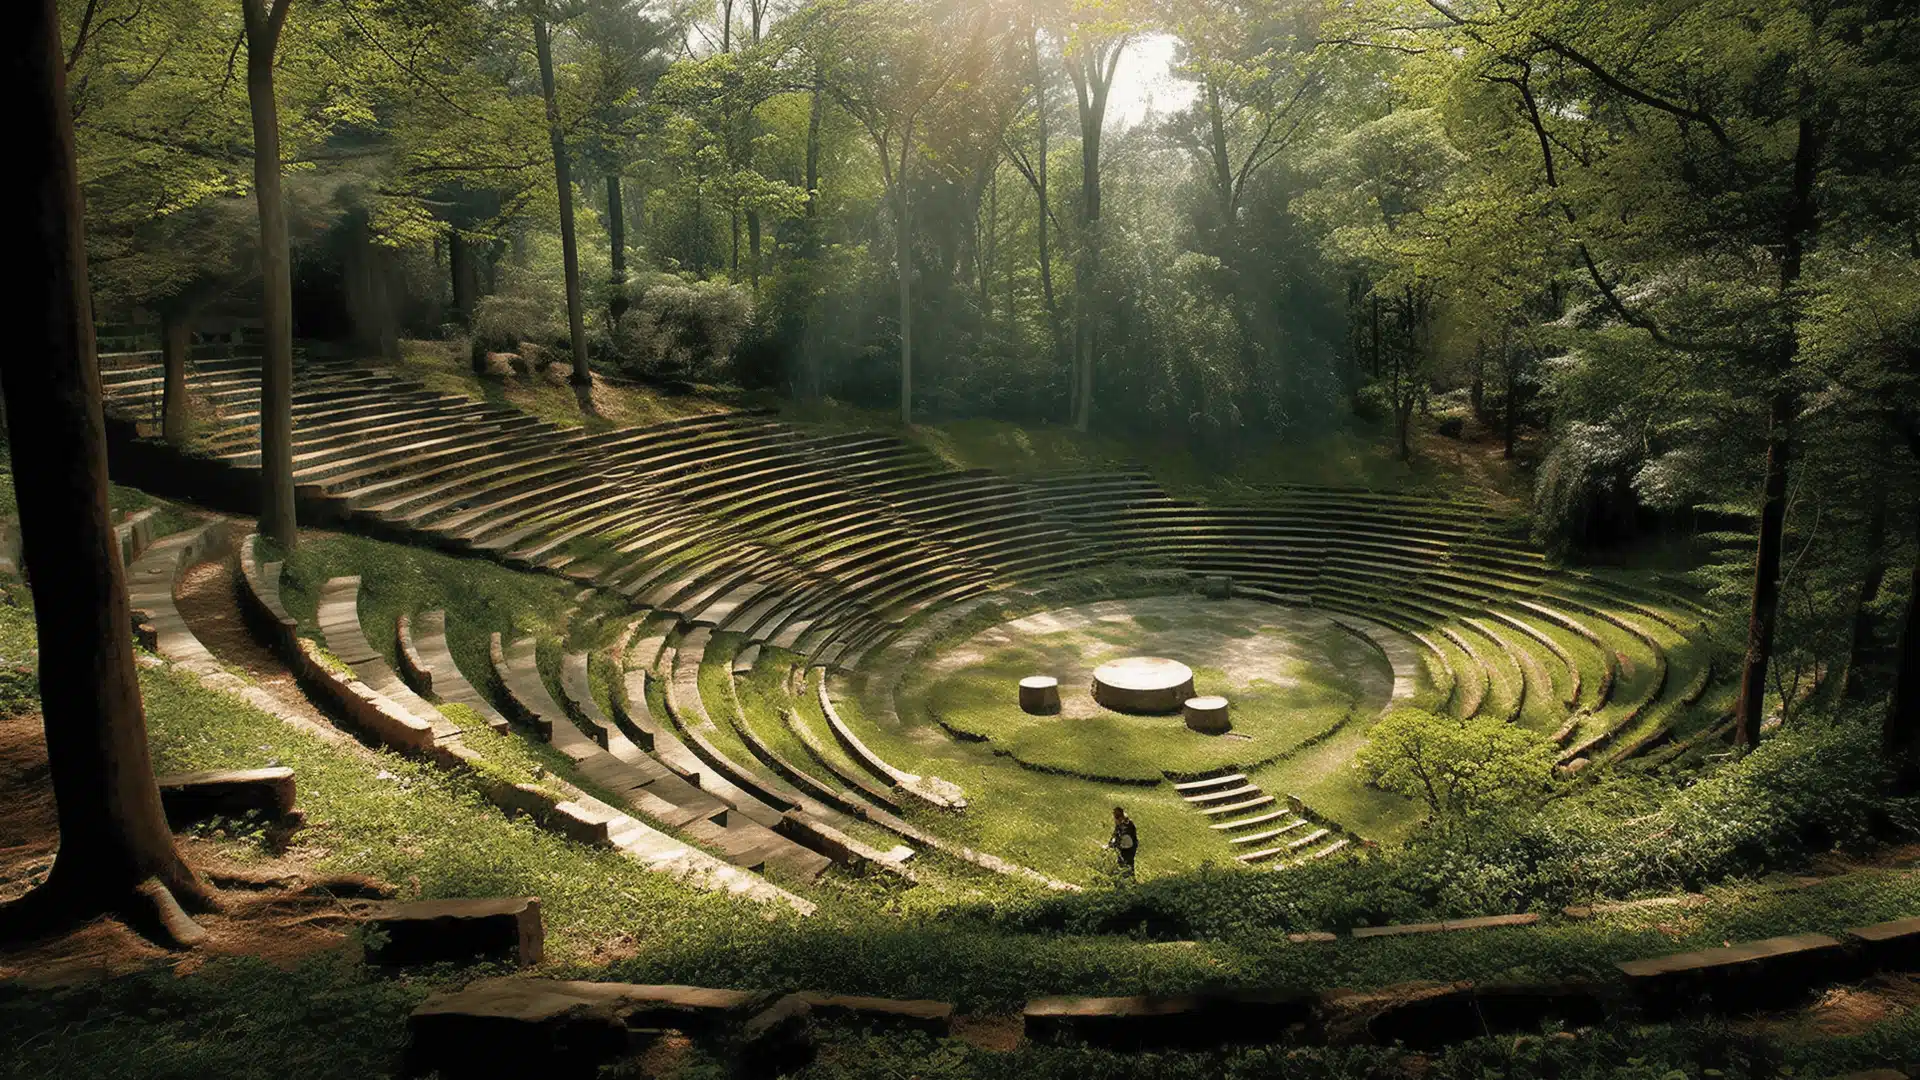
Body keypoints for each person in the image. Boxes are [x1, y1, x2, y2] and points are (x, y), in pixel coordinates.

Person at [1106, 806, 1138, 876]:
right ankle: (1126, 878)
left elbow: (1123, 838)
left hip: (1129, 847)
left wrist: (1112, 845)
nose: (1115, 819)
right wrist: (1110, 843)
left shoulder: (1126, 825)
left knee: (1127, 864)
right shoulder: (1121, 824)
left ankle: (1130, 880)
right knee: (1122, 863)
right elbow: (1115, 834)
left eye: (1116, 817)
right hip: (1125, 846)